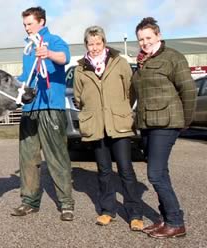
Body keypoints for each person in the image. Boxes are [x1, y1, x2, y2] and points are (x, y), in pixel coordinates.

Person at [73, 26, 144, 231]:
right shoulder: (80, 69)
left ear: (104, 43)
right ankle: (107, 210)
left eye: (98, 43)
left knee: (125, 169)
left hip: (118, 124)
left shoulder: (119, 62)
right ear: (86, 45)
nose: (94, 47)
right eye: (90, 43)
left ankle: (135, 213)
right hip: (96, 125)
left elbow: (130, 91)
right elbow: (79, 97)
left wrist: (120, 110)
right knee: (103, 170)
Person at [132, 17, 197, 238]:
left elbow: (188, 91)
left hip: (167, 122)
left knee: (155, 174)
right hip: (148, 123)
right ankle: (167, 218)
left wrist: (185, 121)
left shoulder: (173, 57)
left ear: (158, 36)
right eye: (141, 39)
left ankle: (176, 223)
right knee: (161, 172)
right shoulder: (142, 61)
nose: (144, 42)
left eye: (148, 37)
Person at [11, 6, 75, 221]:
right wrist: (12, 84)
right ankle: (29, 201)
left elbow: (64, 58)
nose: (26, 28)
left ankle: (66, 204)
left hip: (50, 107)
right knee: (28, 158)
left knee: (57, 157)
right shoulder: (27, 47)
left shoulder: (54, 40)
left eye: (29, 24)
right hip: (30, 109)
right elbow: (26, 75)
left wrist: (48, 53)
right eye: (24, 24)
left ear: (42, 22)